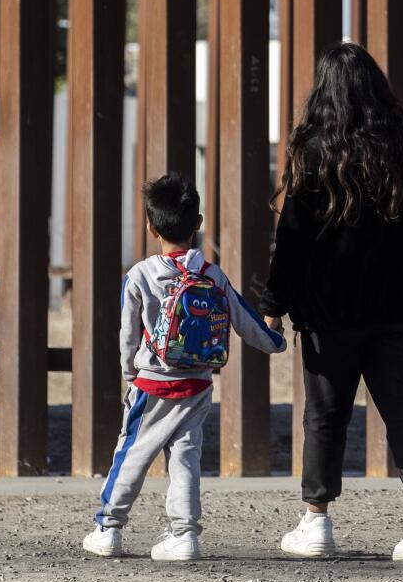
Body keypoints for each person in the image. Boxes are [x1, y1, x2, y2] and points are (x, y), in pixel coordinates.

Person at [260, 42, 403, 562]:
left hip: (329, 312)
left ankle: (317, 522)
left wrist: (274, 303)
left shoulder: (313, 154)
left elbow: (292, 241)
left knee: (325, 416)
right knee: (401, 404)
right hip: (398, 308)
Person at [82, 172, 287, 561]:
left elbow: (128, 335)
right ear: (198, 223)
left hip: (151, 386)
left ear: (150, 225)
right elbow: (245, 321)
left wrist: (132, 373)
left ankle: (109, 528)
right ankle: (185, 534)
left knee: (132, 455)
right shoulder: (211, 274)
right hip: (196, 385)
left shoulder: (140, 275)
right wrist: (276, 342)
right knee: (186, 459)